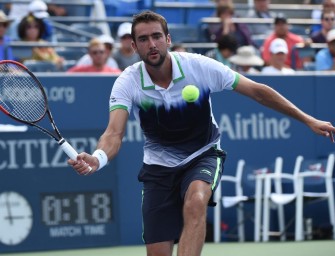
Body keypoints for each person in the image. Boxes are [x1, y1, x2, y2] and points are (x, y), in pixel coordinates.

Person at [68, 11, 335, 256]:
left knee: (196, 201)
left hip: (203, 154)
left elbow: (257, 91)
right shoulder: (127, 81)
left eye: (157, 36)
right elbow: (114, 133)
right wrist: (99, 157)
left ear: (168, 39)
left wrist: (307, 119)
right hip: (158, 168)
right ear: (134, 46)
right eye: (144, 39)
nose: (152, 44)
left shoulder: (199, 67)